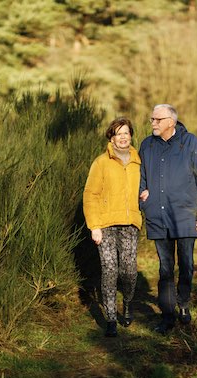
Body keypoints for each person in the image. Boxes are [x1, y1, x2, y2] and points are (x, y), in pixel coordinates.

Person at [139, 104, 197, 335]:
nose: (153, 123)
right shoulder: (147, 145)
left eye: (157, 119)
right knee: (165, 268)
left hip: (186, 215)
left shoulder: (190, 142)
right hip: (158, 215)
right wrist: (143, 199)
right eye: (152, 118)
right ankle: (168, 315)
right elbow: (140, 179)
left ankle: (183, 303)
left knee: (187, 265)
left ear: (171, 121)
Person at [83, 117, 141, 338]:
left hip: (130, 224)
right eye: (119, 133)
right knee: (109, 269)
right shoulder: (101, 162)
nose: (123, 137)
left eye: (126, 132)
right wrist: (94, 226)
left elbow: (145, 188)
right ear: (111, 137)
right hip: (105, 224)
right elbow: (90, 195)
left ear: (131, 135)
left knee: (128, 270)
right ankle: (110, 319)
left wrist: (145, 195)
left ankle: (127, 303)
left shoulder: (138, 161)